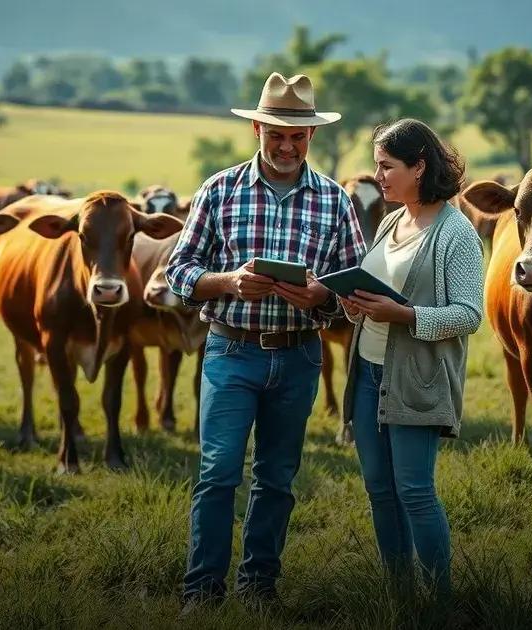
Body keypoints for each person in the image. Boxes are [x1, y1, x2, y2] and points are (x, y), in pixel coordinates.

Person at [166, 72, 365, 609]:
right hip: (230, 349)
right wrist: (227, 281)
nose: (286, 145)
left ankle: (259, 588)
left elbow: (356, 291)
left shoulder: (334, 201)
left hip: (300, 355)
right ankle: (201, 591)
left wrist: (322, 298)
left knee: (277, 476)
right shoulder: (218, 190)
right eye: (276, 133)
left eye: (297, 136)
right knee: (218, 470)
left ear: (312, 137)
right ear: (256, 128)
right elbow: (178, 271)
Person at [339, 118, 484, 594]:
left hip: (416, 377)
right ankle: (398, 591)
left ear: (419, 167)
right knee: (380, 489)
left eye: (387, 166)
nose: (378, 176)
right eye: (377, 166)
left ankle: (439, 596)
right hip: (367, 373)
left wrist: (403, 315)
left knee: (416, 491)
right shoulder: (389, 220)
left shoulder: (455, 232)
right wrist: (353, 301)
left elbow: (467, 314)